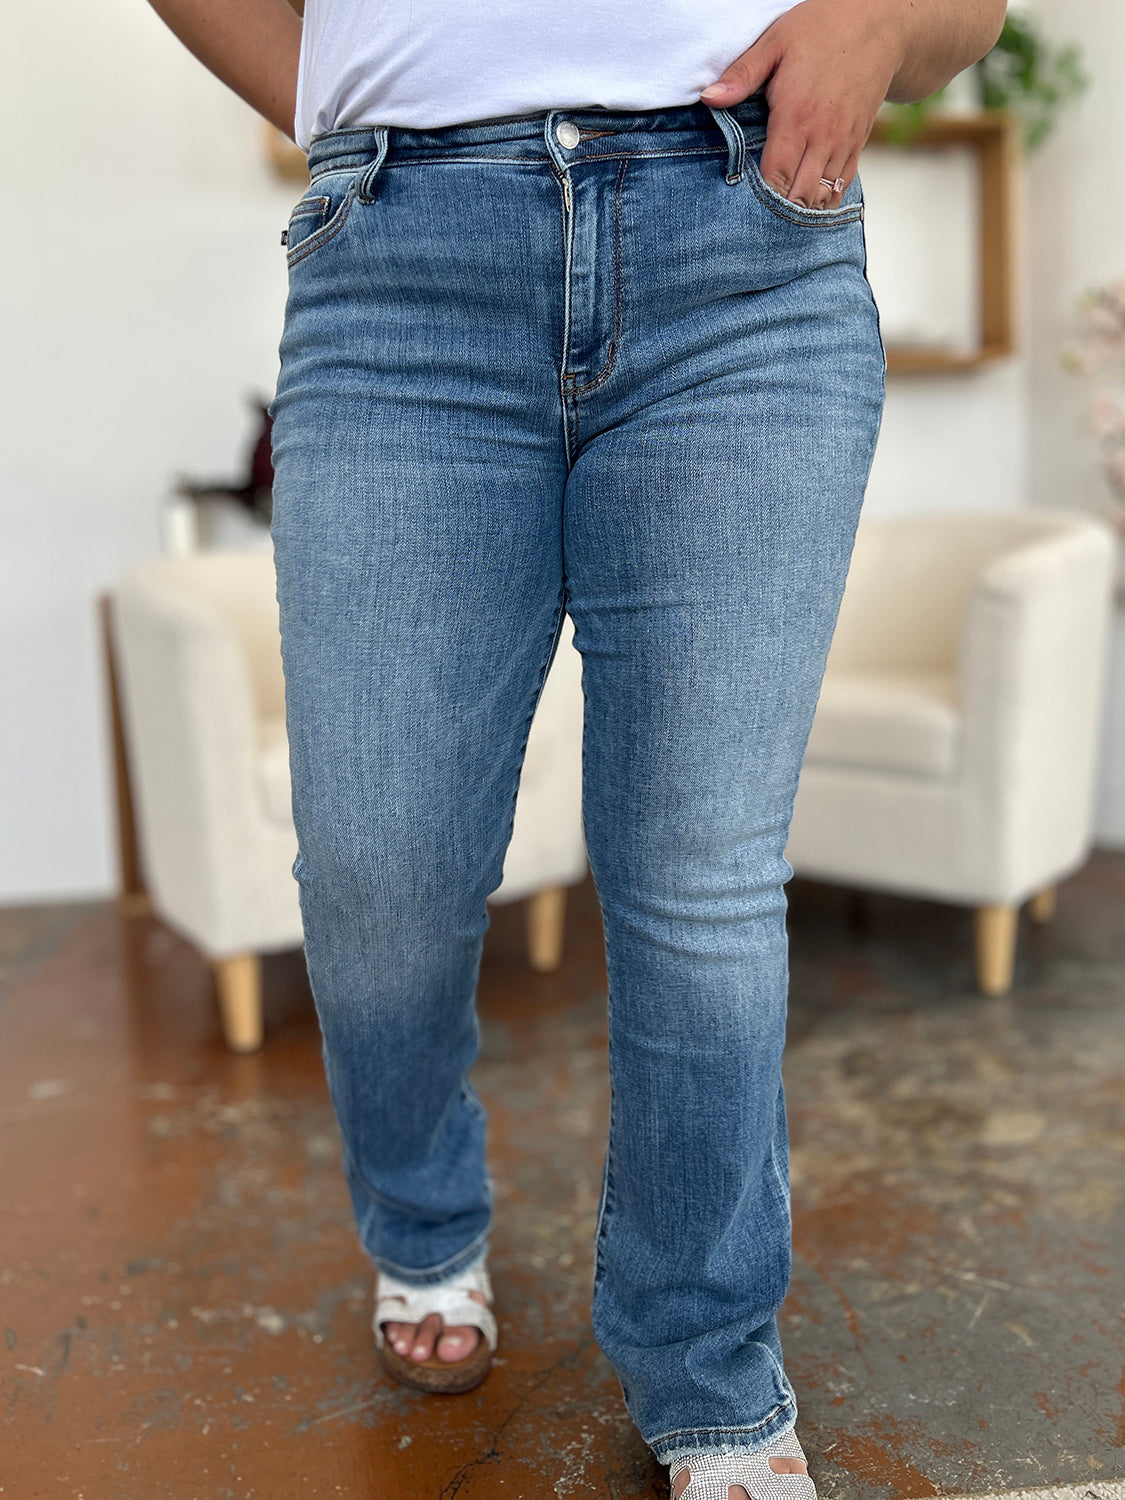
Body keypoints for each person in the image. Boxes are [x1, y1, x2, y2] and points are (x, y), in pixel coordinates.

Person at [144, 1, 1007, 1494]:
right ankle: (423, 1221)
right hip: (403, 261)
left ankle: (709, 1366)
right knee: (378, 868)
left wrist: (879, 22)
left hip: (745, 246)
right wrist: (348, 83)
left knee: (699, 874)